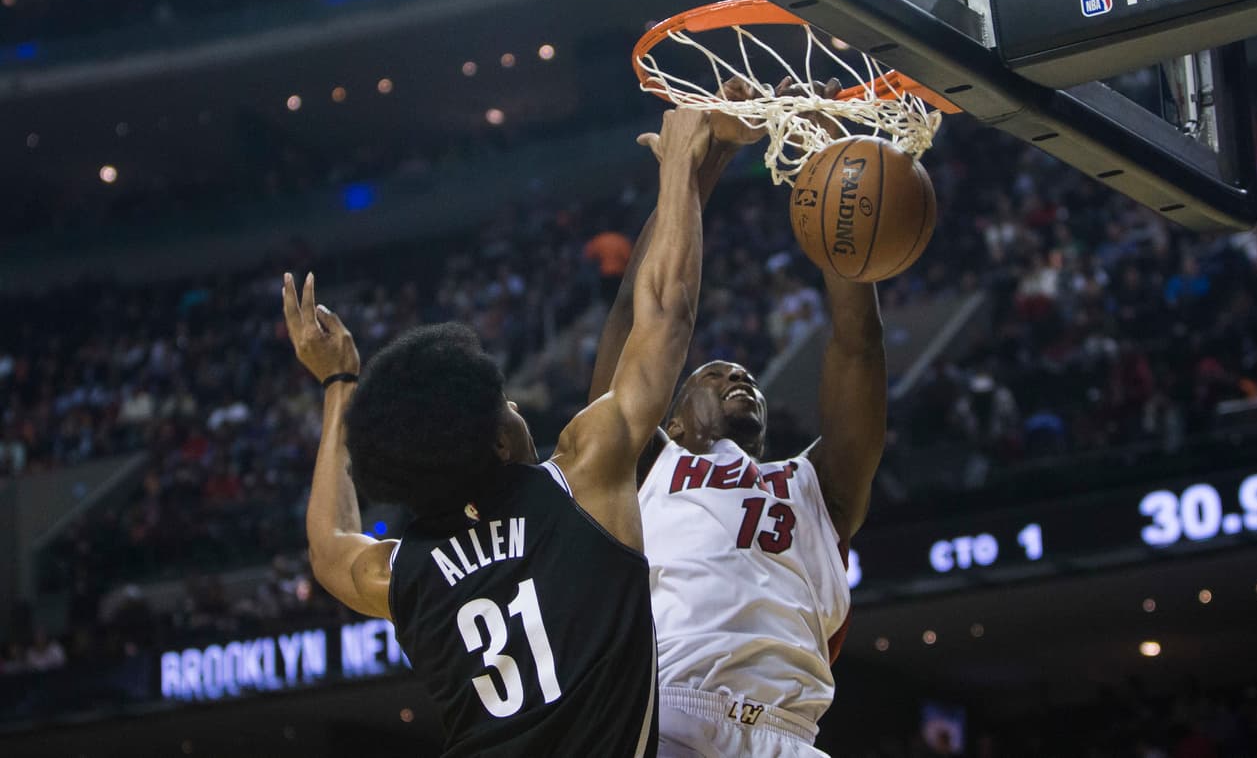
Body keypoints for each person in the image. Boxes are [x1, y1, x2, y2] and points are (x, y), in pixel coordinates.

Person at [282, 109, 714, 757]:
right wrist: (681, 168)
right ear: (498, 441)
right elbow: (665, 313)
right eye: (506, 402)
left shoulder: (404, 573)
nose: (516, 408)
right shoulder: (582, 479)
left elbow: (326, 546)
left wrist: (338, 384)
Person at [588, 82, 885, 757]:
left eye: (744, 374)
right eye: (710, 373)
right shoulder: (646, 463)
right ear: (676, 423)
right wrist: (703, 160)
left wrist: (823, 165)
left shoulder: (819, 487)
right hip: (673, 714)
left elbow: (856, 345)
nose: (736, 375)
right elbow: (635, 320)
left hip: (791, 733)